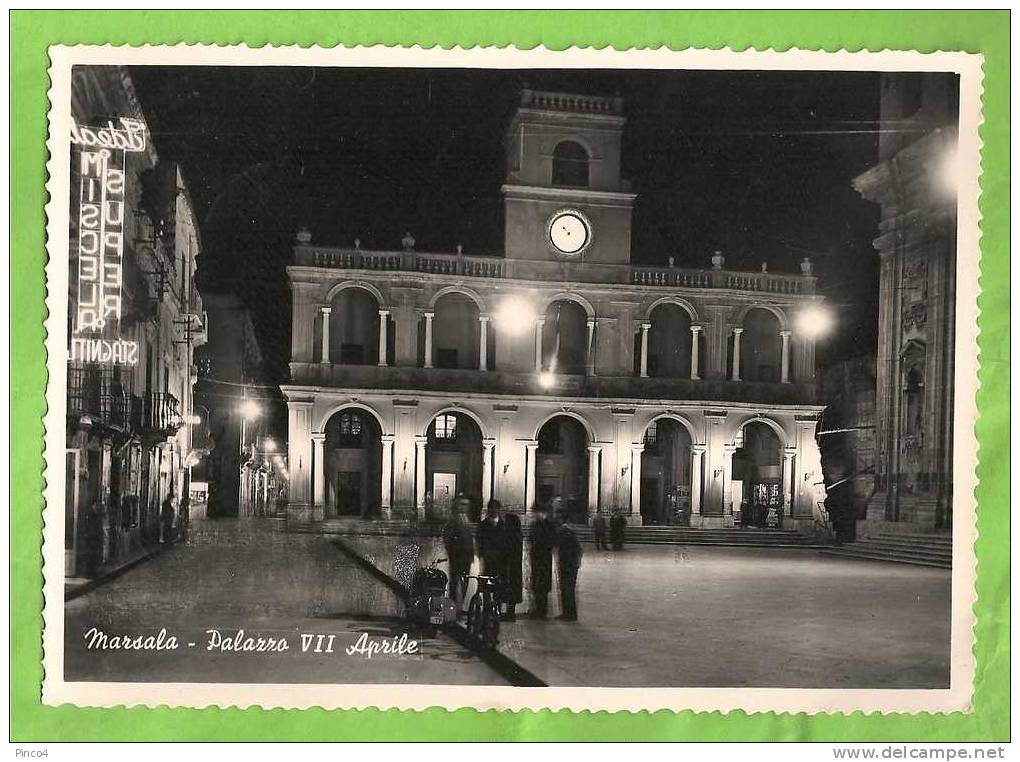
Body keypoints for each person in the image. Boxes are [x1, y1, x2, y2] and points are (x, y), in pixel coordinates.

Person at [441, 499, 475, 615]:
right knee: (455, 583)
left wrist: (471, 555)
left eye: (466, 505)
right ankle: (453, 608)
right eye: (461, 504)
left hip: (467, 557)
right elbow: (447, 538)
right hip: (457, 557)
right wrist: (453, 551)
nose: (463, 507)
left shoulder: (467, 521)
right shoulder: (453, 520)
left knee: (465, 582)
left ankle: (461, 607)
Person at [528, 502, 559, 619]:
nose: (534, 515)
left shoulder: (547, 525)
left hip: (544, 559)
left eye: (535, 512)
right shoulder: (537, 524)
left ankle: (542, 611)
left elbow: (552, 540)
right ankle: (538, 609)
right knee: (537, 585)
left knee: (542, 586)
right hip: (537, 558)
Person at [556, 511, 583, 621]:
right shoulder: (566, 531)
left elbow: (578, 549)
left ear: (563, 519)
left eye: (558, 518)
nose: (557, 520)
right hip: (568, 563)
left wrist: (576, 561)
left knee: (567, 589)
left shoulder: (565, 531)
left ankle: (570, 614)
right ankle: (567, 613)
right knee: (566, 589)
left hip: (568, 564)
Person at [501, 510, 524, 621]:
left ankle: (510, 614)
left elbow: (507, 551)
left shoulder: (511, 536)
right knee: (512, 589)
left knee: (509, 588)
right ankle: (510, 612)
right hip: (514, 568)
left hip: (510, 567)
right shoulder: (517, 535)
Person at [477, 499, 507, 578]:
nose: (494, 510)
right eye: (491, 508)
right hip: (488, 559)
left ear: (499, 509)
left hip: (502, 559)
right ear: (488, 510)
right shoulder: (483, 525)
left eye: (496, 508)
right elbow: (480, 541)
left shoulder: (505, 525)